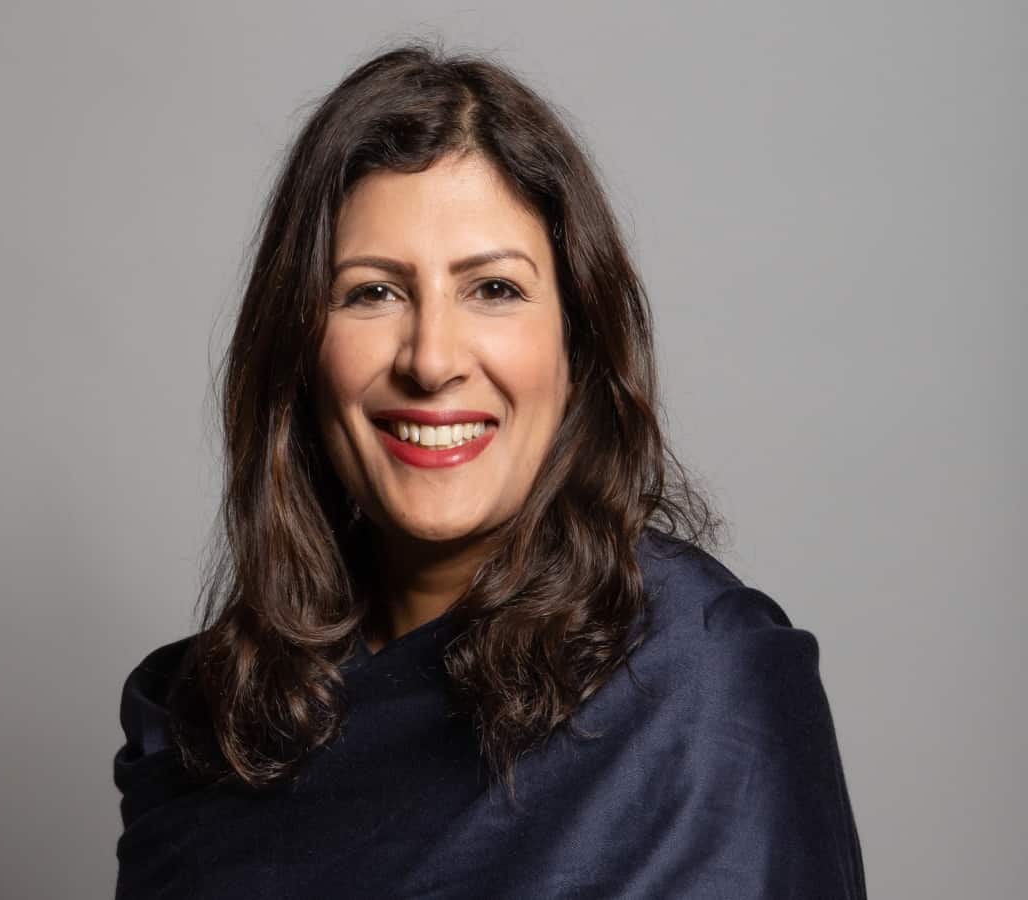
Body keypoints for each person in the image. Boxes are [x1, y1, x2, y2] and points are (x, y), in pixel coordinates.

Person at [112, 43, 867, 899]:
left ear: (577, 342)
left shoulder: (703, 686)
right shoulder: (198, 727)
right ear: (298, 352)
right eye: (373, 292)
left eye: (494, 290)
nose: (432, 360)